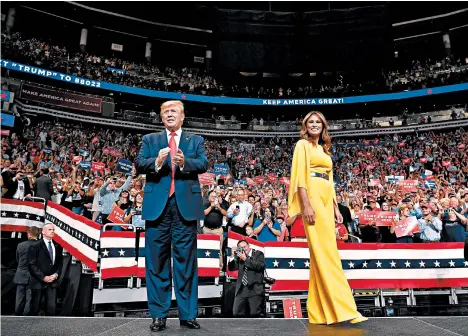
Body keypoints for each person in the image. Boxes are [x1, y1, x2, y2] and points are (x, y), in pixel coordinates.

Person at [288, 111, 367, 325]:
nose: (314, 125)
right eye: (311, 122)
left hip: (325, 198)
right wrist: (305, 205)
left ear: (323, 127)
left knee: (319, 256)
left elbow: (330, 181)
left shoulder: (324, 150)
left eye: (318, 122)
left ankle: (318, 313)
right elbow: (299, 179)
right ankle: (345, 309)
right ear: (305, 126)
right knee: (327, 253)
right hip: (311, 197)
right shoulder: (301, 145)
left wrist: (335, 207)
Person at [135, 100, 208, 332]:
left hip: (185, 207)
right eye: (165, 111)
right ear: (161, 117)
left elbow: (204, 163)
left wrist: (185, 162)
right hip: (157, 207)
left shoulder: (195, 140)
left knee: (186, 263)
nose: (169, 114)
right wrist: (156, 162)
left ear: (182, 116)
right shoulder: (150, 140)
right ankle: (158, 314)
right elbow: (139, 163)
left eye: (173, 111)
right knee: (156, 263)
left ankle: (187, 315)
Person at [28, 224, 63, 316]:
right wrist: (43, 277)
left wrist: (56, 274)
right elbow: (32, 264)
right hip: (38, 283)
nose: (52, 231)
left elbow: (60, 263)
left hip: (52, 282)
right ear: (43, 232)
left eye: (53, 229)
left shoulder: (57, 246)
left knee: (51, 310)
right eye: (49, 229)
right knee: (35, 309)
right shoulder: (35, 246)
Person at [228, 240, 265, 317]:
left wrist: (245, 259)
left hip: (254, 288)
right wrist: (232, 256)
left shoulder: (258, 254)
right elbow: (231, 268)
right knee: (236, 313)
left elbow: (259, 266)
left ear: (249, 246)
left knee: (254, 314)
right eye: (241, 248)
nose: (244, 249)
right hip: (242, 289)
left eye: (245, 247)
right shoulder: (239, 256)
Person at [13, 226, 39, 316]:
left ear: (29, 234)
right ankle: (26, 317)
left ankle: (17, 314)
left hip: (21, 274)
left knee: (19, 297)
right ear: (38, 234)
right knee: (30, 297)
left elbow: (18, 260)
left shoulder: (20, 245)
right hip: (33, 276)